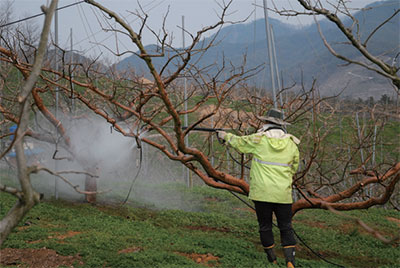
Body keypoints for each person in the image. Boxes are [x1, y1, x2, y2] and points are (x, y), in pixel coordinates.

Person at [217, 108, 300, 268]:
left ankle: (273, 261)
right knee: (286, 227)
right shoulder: (291, 144)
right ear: (281, 125)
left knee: (265, 226)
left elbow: (240, 143)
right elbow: (294, 168)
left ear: (267, 123)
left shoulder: (259, 139)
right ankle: (290, 262)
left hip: (262, 193)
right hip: (283, 194)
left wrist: (224, 136)